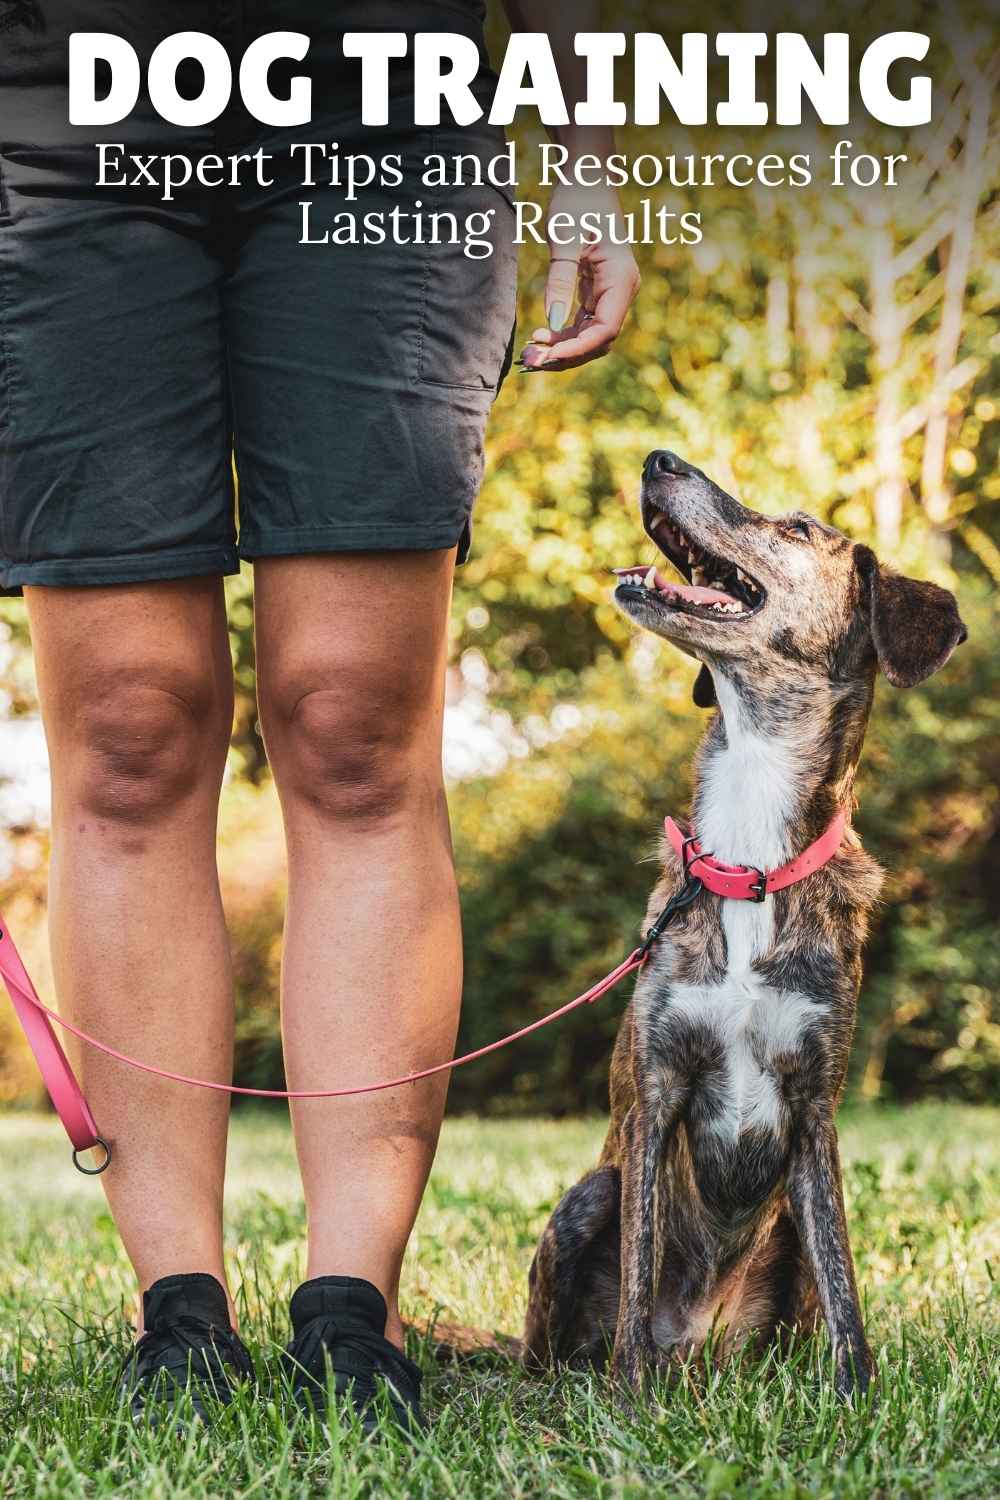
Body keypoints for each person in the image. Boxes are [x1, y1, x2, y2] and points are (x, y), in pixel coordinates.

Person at [0, 0, 639, 1430]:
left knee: (352, 723)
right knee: (125, 727)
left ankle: (353, 1310)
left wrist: (587, 158)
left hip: (385, 118)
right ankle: (180, 1313)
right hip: (61, 122)